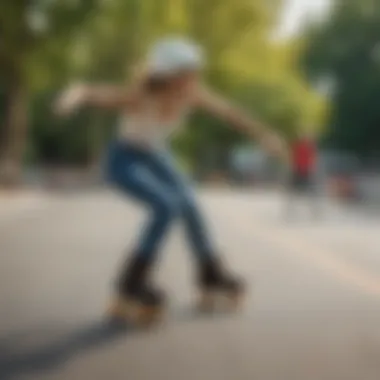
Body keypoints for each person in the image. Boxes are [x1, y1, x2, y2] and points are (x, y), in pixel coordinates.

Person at [55, 37, 288, 321]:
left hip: (156, 156)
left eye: (194, 74)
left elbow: (231, 113)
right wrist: (72, 96)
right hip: (124, 158)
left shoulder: (194, 94)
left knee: (189, 203)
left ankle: (210, 274)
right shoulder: (140, 95)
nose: (193, 81)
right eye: (187, 74)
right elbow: (91, 93)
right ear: (168, 75)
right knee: (166, 206)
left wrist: (263, 134)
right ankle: (131, 284)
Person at [285, 131, 319, 219]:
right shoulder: (300, 146)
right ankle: (291, 210)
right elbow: (293, 158)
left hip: (304, 170)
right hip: (300, 170)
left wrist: (312, 169)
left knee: (309, 192)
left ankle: (314, 212)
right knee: (296, 191)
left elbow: (312, 159)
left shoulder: (307, 147)